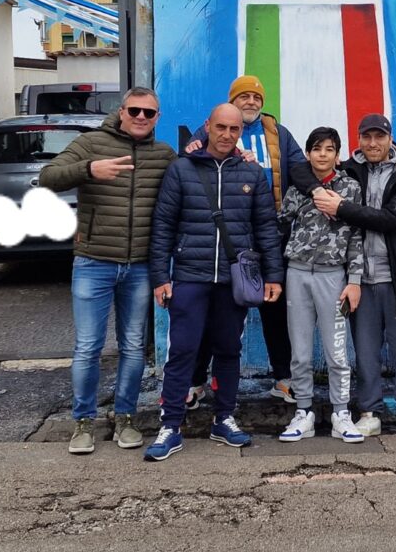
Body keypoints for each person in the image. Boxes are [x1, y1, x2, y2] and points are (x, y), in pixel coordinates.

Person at [144, 104, 285, 462]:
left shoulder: (252, 174)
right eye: (220, 127)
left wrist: (273, 276)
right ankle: (171, 426)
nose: (226, 135)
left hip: (233, 280)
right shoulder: (181, 170)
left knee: (228, 351)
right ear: (207, 126)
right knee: (182, 352)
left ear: (241, 132)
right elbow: (163, 226)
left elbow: (266, 229)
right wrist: (161, 276)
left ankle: (224, 418)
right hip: (190, 276)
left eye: (233, 129)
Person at [40, 86, 176, 455]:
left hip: (140, 267)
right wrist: (88, 169)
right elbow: (48, 176)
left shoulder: (163, 154)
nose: (141, 118)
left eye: (149, 113)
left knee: (133, 346)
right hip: (93, 263)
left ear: (157, 118)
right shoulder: (93, 144)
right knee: (88, 347)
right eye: (135, 110)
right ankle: (83, 422)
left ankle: (126, 418)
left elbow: (190, 181)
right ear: (122, 111)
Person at [184, 75, 307, 406]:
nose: (251, 101)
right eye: (244, 96)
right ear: (232, 101)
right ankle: (196, 381)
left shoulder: (278, 134)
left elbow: (300, 171)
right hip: (228, 233)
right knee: (216, 309)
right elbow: (190, 158)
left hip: (271, 229)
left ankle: (283, 378)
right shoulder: (212, 129)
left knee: (274, 306)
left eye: (256, 96)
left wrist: (331, 175)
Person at [313, 114, 396, 438]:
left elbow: (392, 219)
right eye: (368, 137)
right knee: (365, 351)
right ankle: (370, 411)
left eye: (380, 137)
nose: (374, 143)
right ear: (360, 139)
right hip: (359, 279)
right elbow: (306, 171)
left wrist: (343, 208)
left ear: (390, 139)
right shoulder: (349, 172)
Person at [277, 127, 366, 445]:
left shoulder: (351, 188)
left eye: (330, 149)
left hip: (333, 277)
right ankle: (304, 412)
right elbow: (281, 224)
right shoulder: (298, 188)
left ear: (338, 155)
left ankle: (342, 413)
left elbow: (357, 237)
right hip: (298, 274)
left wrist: (354, 280)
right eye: (317, 148)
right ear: (309, 154)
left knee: (337, 351)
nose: (323, 154)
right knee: (299, 352)